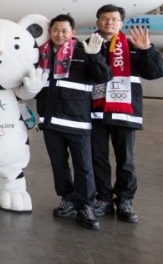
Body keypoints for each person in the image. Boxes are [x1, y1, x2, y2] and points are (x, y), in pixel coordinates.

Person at [90, 4, 163, 223]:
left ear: (121, 23)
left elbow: (155, 73)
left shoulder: (133, 45)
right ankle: (102, 198)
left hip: (125, 111)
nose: (109, 22)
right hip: (96, 112)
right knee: (98, 158)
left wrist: (147, 50)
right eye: (105, 18)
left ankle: (124, 200)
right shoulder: (88, 45)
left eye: (114, 19)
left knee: (126, 160)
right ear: (97, 22)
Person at [36, 14, 111, 230]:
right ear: (50, 32)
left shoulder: (83, 51)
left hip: (77, 121)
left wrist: (95, 57)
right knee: (59, 165)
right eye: (56, 30)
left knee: (84, 166)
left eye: (64, 31)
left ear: (72, 33)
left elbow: (103, 77)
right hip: (51, 121)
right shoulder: (42, 53)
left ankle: (85, 205)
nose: (60, 34)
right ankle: (67, 198)